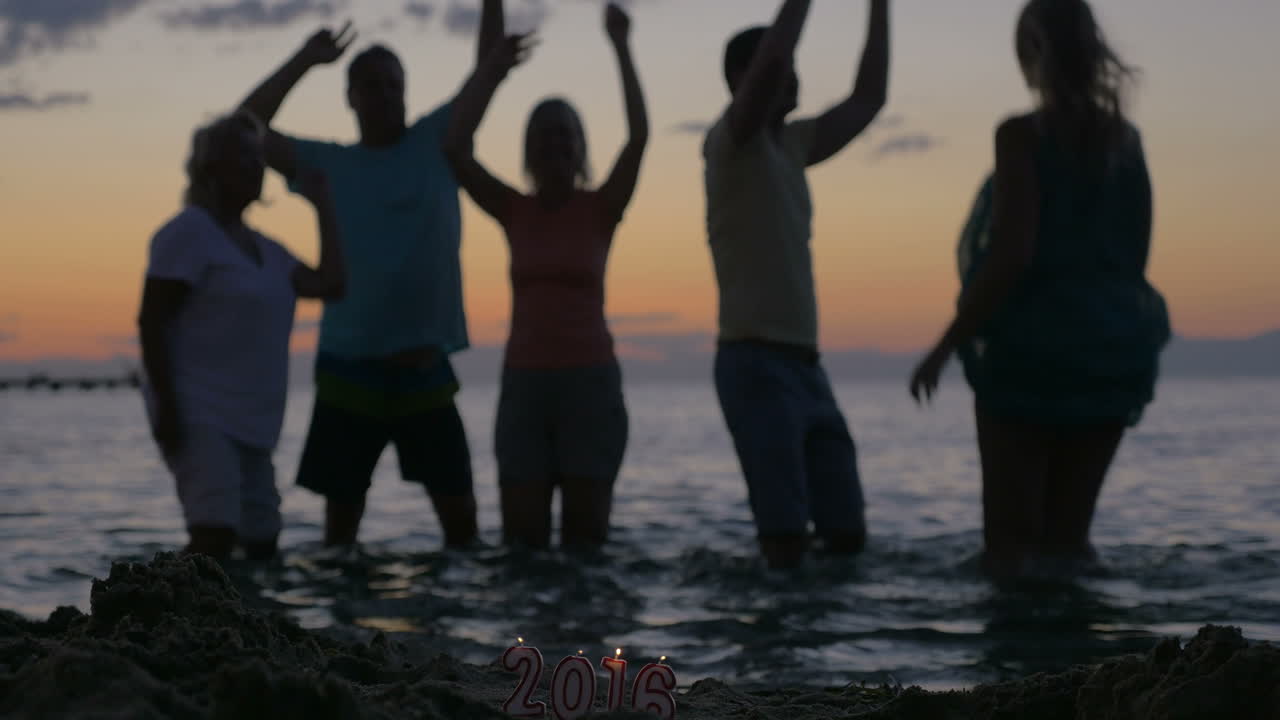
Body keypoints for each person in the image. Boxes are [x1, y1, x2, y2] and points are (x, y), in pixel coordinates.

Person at [909, 0, 1170, 582]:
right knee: (1069, 545)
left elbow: (1011, 254)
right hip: (1114, 348)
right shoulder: (1125, 141)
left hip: (1027, 352)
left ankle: (1015, 644)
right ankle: (1080, 642)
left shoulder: (1022, 136)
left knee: (1008, 545)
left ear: (1032, 53)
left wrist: (945, 346)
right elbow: (1135, 255)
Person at [234, 4, 505, 549]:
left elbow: (487, 71)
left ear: (406, 92)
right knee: (340, 539)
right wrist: (305, 60)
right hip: (349, 371)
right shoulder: (327, 163)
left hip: (425, 368)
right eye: (371, 86)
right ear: (350, 97)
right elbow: (243, 130)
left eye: (393, 85)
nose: (384, 95)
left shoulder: (438, 141)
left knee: (463, 532)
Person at [444, 2, 648, 549]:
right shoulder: (514, 209)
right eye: (543, 135)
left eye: (564, 135)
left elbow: (638, 138)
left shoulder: (601, 208)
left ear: (580, 148)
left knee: (586, 548)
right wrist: (492, 70)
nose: (554, 143)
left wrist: (621, 46)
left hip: (590, 384)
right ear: (528, 149)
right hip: (525, 386)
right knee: (522, 549)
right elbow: (455, 148)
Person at [703, 0, 890, 570]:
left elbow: (868, 98)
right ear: (742, 78)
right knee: (784, 544)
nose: (793, 77)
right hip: (754, 363)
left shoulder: (794, 145)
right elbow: (772, 61)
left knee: (846, 538)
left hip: (807, 367)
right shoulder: (731, 143)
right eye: (782, 69)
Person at [137, 110, 344, 562]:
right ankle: (156, 601)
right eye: (243, 156)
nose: (256, 167)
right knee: (213, 534)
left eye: (258, 158)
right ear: (211, 167)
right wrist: (167, 407)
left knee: (263, 542)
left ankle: (230, 613)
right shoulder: (188, 232)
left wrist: (323, 204)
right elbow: (152, 321)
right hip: (198, 411)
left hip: (255, 420)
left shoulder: (267, 250)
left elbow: (331, 284)